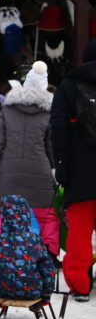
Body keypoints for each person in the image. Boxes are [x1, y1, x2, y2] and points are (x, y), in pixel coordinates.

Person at [0, 61, 59, 258]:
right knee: (45, 217)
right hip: (40, 174)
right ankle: (47, 257)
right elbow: (52, 149)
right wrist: (57, 171)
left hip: (9, 175)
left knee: (7, 215)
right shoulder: (49, 113)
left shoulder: (7, 110)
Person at [50, 38, 96, 302]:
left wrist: (60, 165)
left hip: (80, 171)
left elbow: (58, 127)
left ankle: (79, 284)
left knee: (79, 231)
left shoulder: (69, 85)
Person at [0, 195, 57, 301]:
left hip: (2, 291)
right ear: (26, 214)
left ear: (3, 215)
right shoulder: (34, 239)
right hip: (32, 291)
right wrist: (46, 294)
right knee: (41, 264)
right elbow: (48, 268)